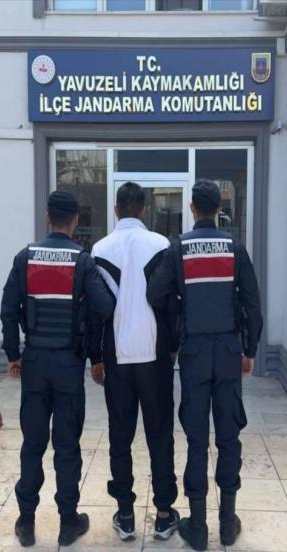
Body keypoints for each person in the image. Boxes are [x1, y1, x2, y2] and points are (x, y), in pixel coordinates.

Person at [146, 179, 263, 551]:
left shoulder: (179, 248)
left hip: (194, 352)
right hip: (228, 351)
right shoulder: (235, 248)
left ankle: (197, 527)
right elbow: (253, 304)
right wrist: (249, 349)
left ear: (193, 209)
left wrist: (178, 320)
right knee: (228, 437)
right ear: (219, 209)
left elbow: (155, 293)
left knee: (197, 440)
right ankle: (227, 524)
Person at [0, 190, 115, 548]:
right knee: (66, 445)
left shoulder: (25, 257)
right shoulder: (83, 261)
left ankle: (27, 522)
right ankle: (68, 522)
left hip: (34, 361)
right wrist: (93, 349)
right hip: (68, 364)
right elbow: (104, 307)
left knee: (33, 443)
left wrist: (13, 354)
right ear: (76, 220)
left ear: (48, 217)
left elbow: (8, 310)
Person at [88, 182, 180, 542]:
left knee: (120, 435)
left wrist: (96, 357)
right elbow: (170, 302)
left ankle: (125, 513)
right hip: (155, 355)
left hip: (117, 356)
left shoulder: (99, 249)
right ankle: (163, 513)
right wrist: (172, 346)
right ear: (143, 209)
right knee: (160, 435)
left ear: (116, 209)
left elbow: (95, 311)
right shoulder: (161, 245)